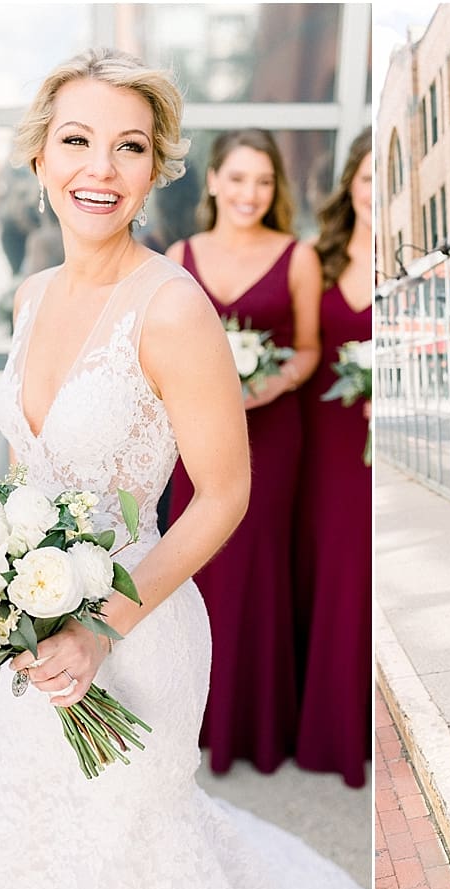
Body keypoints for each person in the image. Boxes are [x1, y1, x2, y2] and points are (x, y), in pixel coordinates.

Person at [0, 49, 358, 889]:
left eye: (131, 147)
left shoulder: (176, 308)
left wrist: (95, 625)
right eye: (78, 140)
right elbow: (23, 468)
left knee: (126, 854)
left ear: (156, 170)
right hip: (34, 637)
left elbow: (225, 493)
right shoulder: (33, 292)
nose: (101, 170)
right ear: (40, 154)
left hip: (138, 637)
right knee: (16, 836)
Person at [164, 128, 322, 775]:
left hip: (271, 434)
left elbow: (310, 348)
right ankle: (189, 717)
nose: (249, 193)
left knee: (254, 566)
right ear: (213, 183)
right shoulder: (179, 254)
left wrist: (270, 382)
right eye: (237, 178)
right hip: (193, 437)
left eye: (262, 181)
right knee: (195, 567)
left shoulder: (298, 255)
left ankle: (252, 723)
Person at [293, 127, 372, 787]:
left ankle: (356, 730)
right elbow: (301, 349)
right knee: (319, 569)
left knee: (359, 574)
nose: (378, 191)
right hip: (318, 442)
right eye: (369, 176)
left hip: (376, 446)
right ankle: (316, 727)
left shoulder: (411, 258)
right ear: (351, 182)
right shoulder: (316, 259)